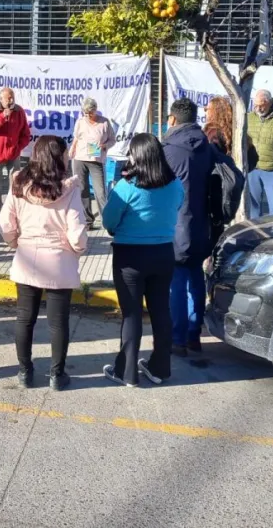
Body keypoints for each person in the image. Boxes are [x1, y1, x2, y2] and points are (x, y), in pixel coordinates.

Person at [0, 135, 87, 391]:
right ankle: (57, 376)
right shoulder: (69, 189)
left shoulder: (18, 183)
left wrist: (16, 243)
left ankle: (25, 372)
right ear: (58, 157)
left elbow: (6, 223)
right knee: (58, 322)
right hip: (59, 262)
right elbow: (77, 231)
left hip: (27, 259)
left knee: (24, 318)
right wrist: (77, 250)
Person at [100, 133, 182, 387]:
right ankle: (160, 368)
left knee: (132, 314)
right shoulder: (175, 184)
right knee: (160, 311)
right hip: (163, 253)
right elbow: (177, 207)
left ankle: (126, 373)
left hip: (130, 256)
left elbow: (108, 221)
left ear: (137, 156)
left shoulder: (127, 187)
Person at [162, 98, 212, 357]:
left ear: (172, 119)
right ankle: (194, 336)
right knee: (195, 277)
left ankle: (178, 338)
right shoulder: (206, 145)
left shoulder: (169, 149)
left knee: (177, 282)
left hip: (175, 224)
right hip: (202, 224)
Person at [0, 87, 31, 221]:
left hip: (13, 155)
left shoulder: (19, 111)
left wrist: (18, 148)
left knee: (15, 184)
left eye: (12, 98)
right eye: (8, 98)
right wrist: (3, 116)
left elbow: (25, 134)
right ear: (0, 99)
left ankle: (13, 211)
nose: (11, 101)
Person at [68, 97, 116, 229]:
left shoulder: (104, 122)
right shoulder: (80, 121)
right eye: (86, 113)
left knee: (100, 192)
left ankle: (107, 221)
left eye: (90, 112)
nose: (88, 115)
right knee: (82, 190)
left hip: (96, 160)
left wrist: (104, 145)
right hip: (79, 159)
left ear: (95, 110)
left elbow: (113, 140)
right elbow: (76, 138)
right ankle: (88, 221)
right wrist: (72, 149)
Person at [205, 96, 258, 171]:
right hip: (236, 177)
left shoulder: (212, 133)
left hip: (218, 177)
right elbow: (253, 158)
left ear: (214, 112)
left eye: (206, 109)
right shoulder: (237, 130)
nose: (205, 112)